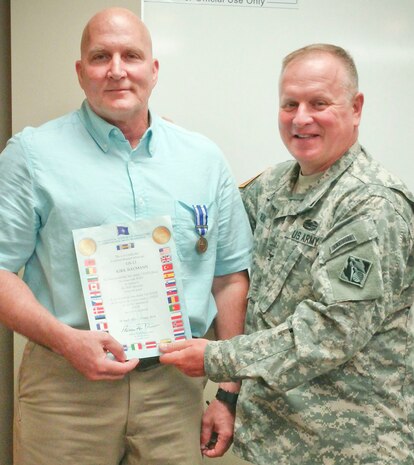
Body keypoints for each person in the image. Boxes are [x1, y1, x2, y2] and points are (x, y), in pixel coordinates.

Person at [0, 8, 252, 465]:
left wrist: (228, 390)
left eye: (131, 55)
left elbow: (229, 276)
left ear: (153, 70)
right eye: (101, 56)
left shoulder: (203, 159)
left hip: (174, 391)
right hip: (66, 390)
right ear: (81, 72)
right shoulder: (32, 155)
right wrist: (65, 340)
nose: (117, 69)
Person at [160, 44, 414, 464]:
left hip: (349, 448)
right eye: (289, 104)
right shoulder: (275, 185)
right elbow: (214, 245)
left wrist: (216, 359)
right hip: (270, 440)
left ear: (356, 107)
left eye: (319, 103)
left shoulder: (373, 206)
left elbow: (330, 333)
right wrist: (180, 156)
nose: (301, 118)